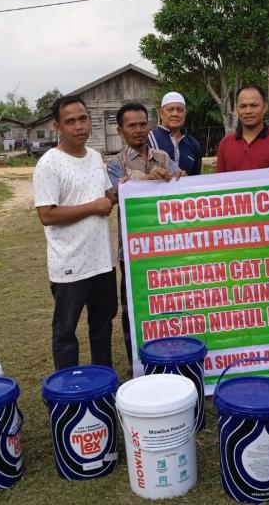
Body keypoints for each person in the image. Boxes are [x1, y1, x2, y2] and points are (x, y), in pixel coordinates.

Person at [33, 94, 118, 370]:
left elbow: (106, 196)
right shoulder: (49, 164)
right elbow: (47, 214)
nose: (79, 126)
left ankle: (103, 385)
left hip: (102, 262)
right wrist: (94, 207)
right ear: (57, 126)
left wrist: (137, 184)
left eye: (83, 118)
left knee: (102, 326)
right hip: (70, 264)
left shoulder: (95, 157)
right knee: (66, 331)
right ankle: (68, 392)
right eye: (70, 121)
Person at [108, 102, 180, 366]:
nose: (138, 130)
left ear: (148, 126)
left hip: (165, 247)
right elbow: (116, 191)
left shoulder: (162, 156)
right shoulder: (115, 163)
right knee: (134, 310)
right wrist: (143, 179)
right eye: (131, 126)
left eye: (142, 124)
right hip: (132, 250)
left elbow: (176, 182)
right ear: (120, 130)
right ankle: (136, 365)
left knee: (167, 307)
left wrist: (178, 177)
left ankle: (170, 358)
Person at [216, 84, 269, 173]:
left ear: (265, 107)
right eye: (243, 106)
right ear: (237, 109)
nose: (248, 111)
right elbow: (221, 183)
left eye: (254, 105)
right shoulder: (225, 144)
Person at [148, 91, 203, 176]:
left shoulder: (193, 144)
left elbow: (195, 179)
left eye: (180, 110)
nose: (175, 114)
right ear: (161, 113)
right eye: (170, 110)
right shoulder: (148, 139)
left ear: (185, 114)